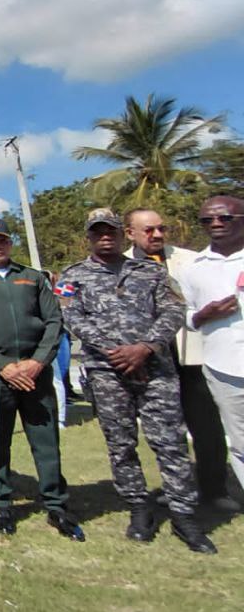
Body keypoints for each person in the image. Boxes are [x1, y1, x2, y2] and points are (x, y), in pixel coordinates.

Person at [60, 208, 215, 554]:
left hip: (155, 368)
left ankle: (183, 515)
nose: (105, 237)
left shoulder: (150, 271)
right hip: (106, 372)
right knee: (121, 444)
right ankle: (138, 508)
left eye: (111, 231)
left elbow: (174, 311)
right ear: (89, 236)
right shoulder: (73, 276)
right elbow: (71, 316)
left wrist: (145, 348)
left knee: (171, 444)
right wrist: (115, 352)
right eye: (97, 232)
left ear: (123, 234)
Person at [0, 218, 84, 541]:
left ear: (10, 243)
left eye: (2, 240)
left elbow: (54, 321)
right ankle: (3, 504)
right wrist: (3, 366)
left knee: (45, 439)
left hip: (35, 372)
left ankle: (56, 504)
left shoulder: (32, 277)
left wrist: (37, 362)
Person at [125, 207, 237, 512]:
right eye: (149, 230)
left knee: (207, 427)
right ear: (130, 233)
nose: (158, 235)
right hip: (152, 361)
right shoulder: (119, 266)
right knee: (165, 432)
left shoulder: (190, 260)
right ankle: (177, 488)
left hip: (191, 357)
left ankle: (214, 489)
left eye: (162, 228)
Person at [179, 196, 244, 507]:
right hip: (224, 368)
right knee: (240, 442)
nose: (216, 225)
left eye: (224, 218)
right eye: (207, 221)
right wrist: (204, 314)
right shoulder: (195, 269)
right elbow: (187, 316)